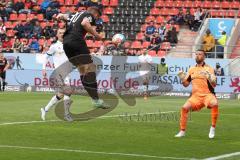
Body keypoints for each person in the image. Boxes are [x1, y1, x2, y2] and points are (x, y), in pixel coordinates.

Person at [57, 7, 109, 108]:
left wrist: (59, 17)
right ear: (95, 14)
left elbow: (61, 16)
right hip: (76, 41)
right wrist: (96, 35)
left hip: (66, 43)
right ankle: (96, 100)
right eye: (97, 17)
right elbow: (85, 23)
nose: (96, 19)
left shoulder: (75, 15)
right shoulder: (89, 15)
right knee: (90, 69)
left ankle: (95, 99)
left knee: (82, 70)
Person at [175, 49, 218, 139]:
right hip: (196, 96)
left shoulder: (209, 68)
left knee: (214, 104)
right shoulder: (191, 69)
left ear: (204, 56)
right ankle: (182, 131)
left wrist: (210, 77)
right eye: (196, 54)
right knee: (184, 108)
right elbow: (186, 85)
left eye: (200, 54)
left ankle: (213, 128)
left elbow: (214, 85)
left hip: (208, 95)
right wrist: (182, 78)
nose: (197, 56)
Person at [41, 28, 73, 121]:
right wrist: (44, 69)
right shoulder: (54, 46)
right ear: (57, 35)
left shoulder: (68, 45)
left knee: (60, 95)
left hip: (66, 72)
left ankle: (45, 109)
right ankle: (66, 114)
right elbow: (45, 57)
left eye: (63, 33)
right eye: (60, 33)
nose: (62, 34)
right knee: (67, 91)